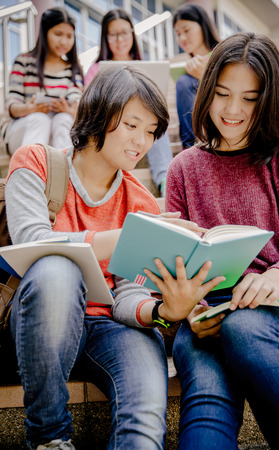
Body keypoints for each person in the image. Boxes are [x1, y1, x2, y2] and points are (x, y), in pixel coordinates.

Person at [5, 64, 216, 450]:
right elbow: (33, 242)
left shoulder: (141, 200)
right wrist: (131, 236)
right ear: (99, 114)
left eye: (152, 131)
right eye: (132, 125)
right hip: (42, 319)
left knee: (146, 421)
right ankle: (50, 438)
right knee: (56, 270)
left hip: (112, 329)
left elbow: (128, 296)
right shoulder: (36, 161)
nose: (143, 141)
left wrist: (163, 312)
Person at [145, 32, 279, 449]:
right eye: (221, 94)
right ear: (206, 91)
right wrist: (188, 308)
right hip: (204, 317)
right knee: (207, 401)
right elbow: (171, 260)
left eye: (250, 98)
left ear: (269, 101)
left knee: (245, 326)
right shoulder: (182, 168)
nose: (232, 110)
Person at [85, 8, 173, 197]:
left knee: (154, 126)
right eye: (113, 35)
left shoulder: (147, 68)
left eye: (124, 33)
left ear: (133, 34)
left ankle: (165, 182)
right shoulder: (95, 70)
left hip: (142, 119)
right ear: (105, 38)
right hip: (112, 122)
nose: (120, 40)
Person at [2, 7, 83, 155]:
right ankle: (30, 172)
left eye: (69, 36)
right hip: (23, 131)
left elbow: (78, 105)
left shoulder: (73, 69)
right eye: (58, 34)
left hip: (58, 132)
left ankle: (63, 172)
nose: (64, 41)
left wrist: (68, 110)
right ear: (45, 33)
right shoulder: (24, 62)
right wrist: (31, 108)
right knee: (40, 119)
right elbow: (12, 106)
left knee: (64, 118)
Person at [173, 3, 220, 149]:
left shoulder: (225, 54)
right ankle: (191, 151)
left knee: (184, 82)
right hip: (199, 125)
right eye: (178, 33)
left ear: (203, 26)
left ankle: (191, 149)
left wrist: (204, 78)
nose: (182, 38)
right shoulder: (187, 70)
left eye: (186, 30)